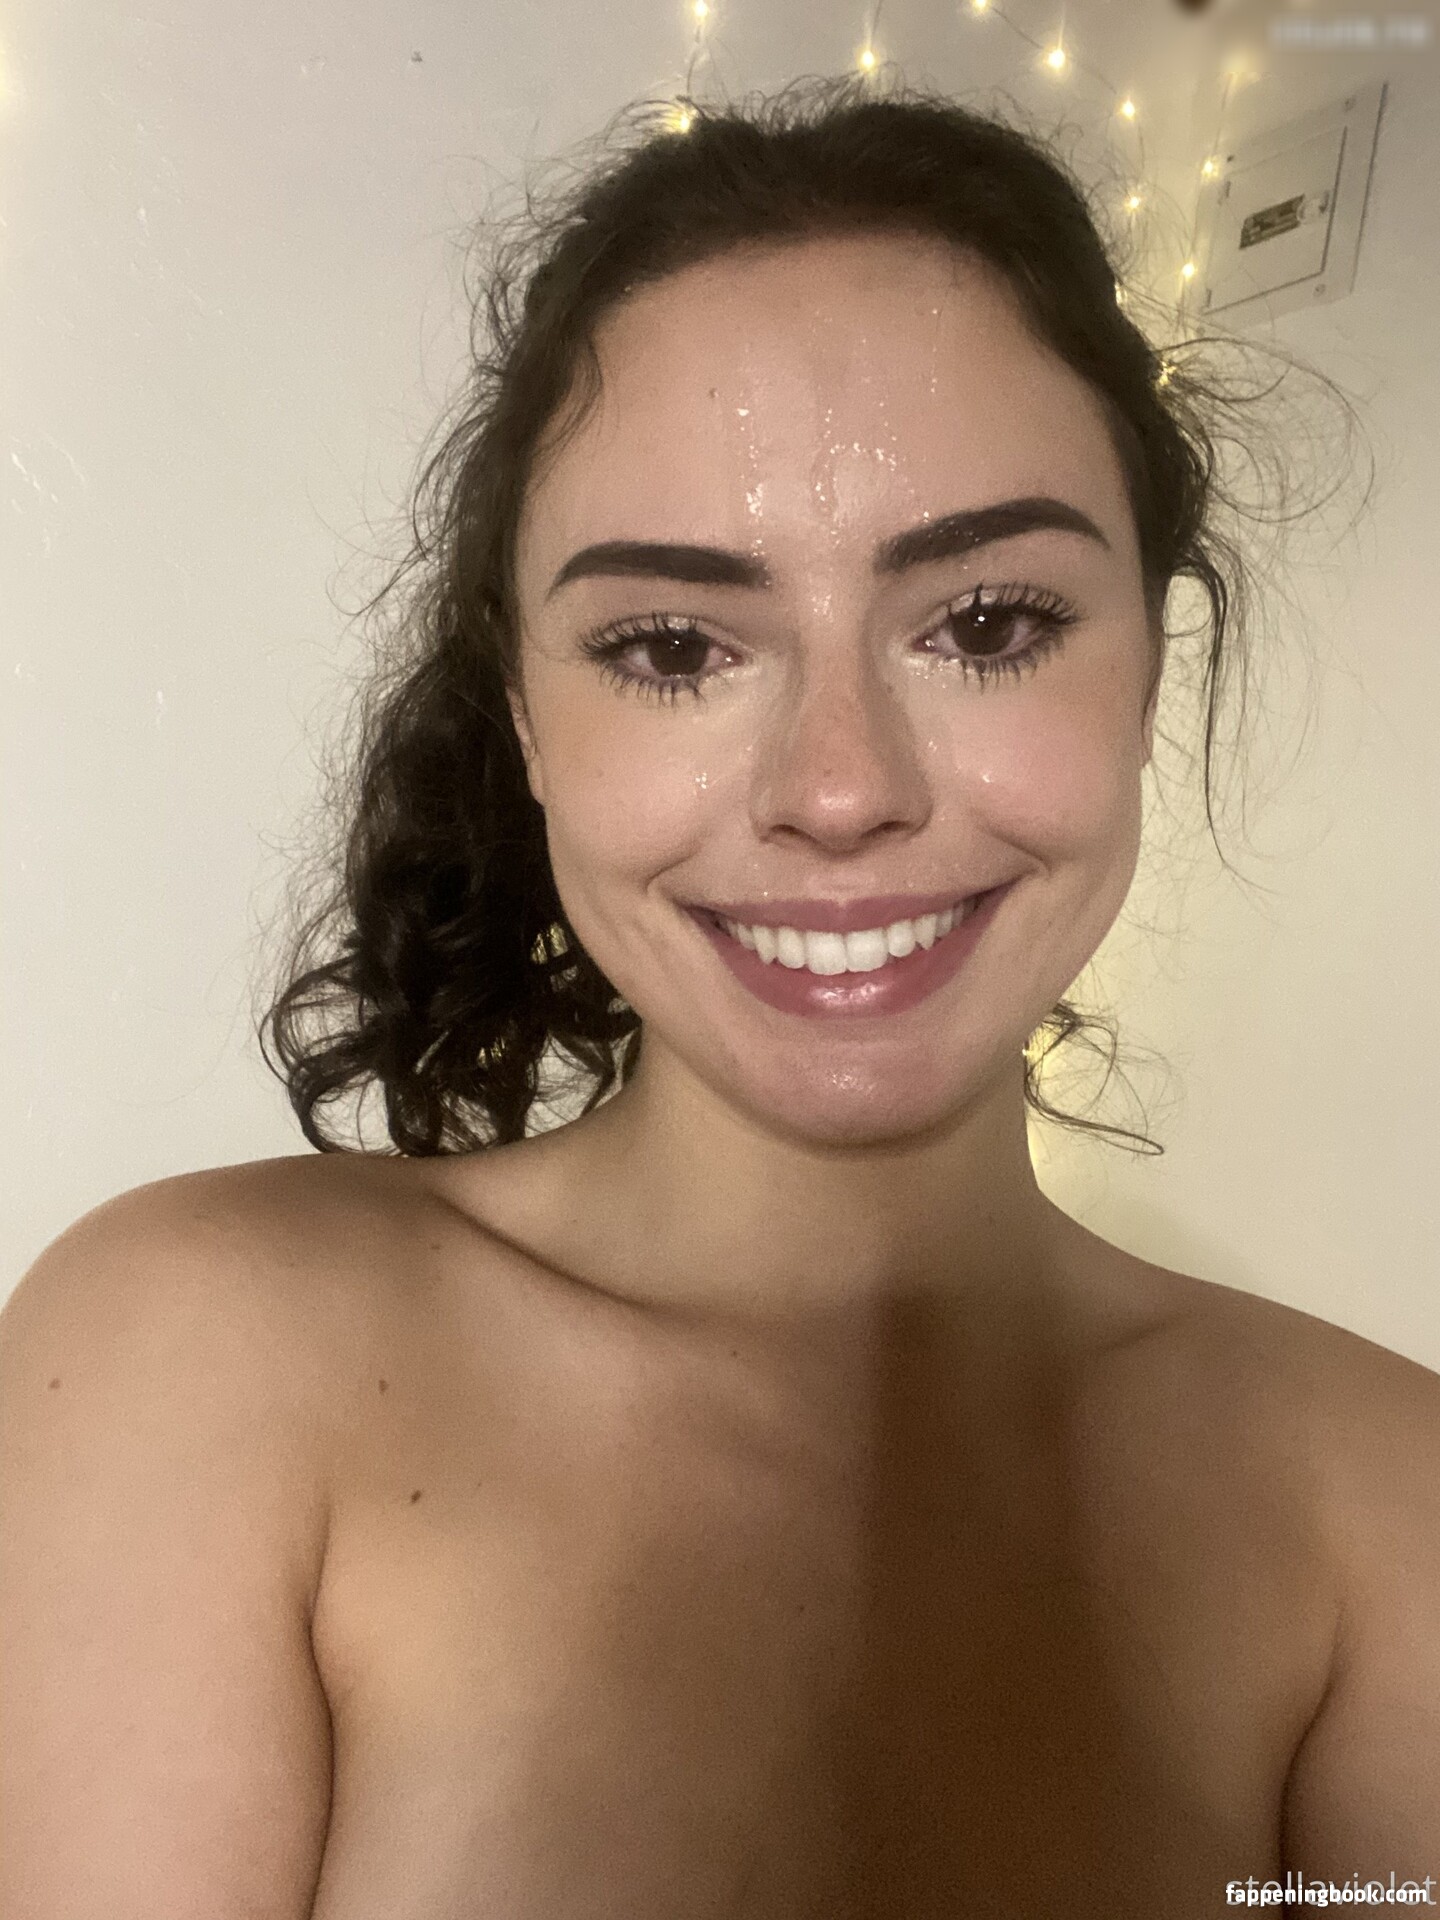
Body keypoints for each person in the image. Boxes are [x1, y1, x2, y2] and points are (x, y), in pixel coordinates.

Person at [2, 75, 1437, 1919]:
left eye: (989, 623)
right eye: (672, 646)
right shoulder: (195, 1359)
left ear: (1147, 667)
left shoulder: (1385, 1504)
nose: (840, 790)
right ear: (526, 722)